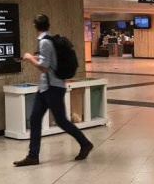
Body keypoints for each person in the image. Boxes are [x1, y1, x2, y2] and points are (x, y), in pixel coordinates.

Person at [14, 14, 94, 167]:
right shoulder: (49, 40)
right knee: (35, 119)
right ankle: (32, 156)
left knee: (61, 120)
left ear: (35, 26)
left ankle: (85, 143)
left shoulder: (45, 42)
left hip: (52, 88)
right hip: (45, 88)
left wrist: (30, 58)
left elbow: (44, 67)